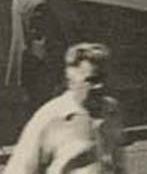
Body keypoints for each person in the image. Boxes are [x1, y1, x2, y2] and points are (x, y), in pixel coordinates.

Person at [5, 42, 126, 174]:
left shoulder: (111, 110)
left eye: (104, 78)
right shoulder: (50, 118)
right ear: (71, 82)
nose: (101, 86)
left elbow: (118, 165)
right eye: (92, 80)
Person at [5, 0, 66, 119]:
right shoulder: (39, 5)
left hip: (21, 59)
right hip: (38, 63)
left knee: (29, 102)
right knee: (41, 103)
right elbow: (44, 38)